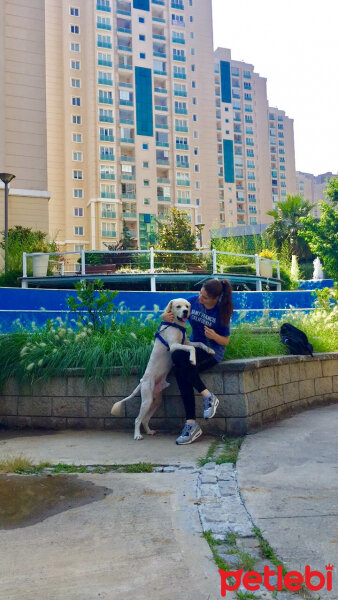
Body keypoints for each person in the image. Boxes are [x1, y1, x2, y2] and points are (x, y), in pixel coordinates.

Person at [161, 279, 233, 445]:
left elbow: (225, 341)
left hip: (211, 352)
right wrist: (165, 316)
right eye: (200, 293)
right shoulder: (193, 301)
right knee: (179, 360)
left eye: (205, 297)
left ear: (216, 298)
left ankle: (191, 424)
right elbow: (172, 310)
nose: (200, 298)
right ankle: (207, 397)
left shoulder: (222, 311)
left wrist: (214, 336)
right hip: (193, 347)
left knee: (179, 365)